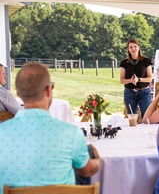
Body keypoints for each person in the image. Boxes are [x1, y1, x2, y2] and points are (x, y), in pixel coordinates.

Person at [0, 62, 101, 193]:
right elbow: (88, 170)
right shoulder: (70, 133)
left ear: (19, 93)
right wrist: (98, 160)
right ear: (48, 90)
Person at [120, 38, 153, 119]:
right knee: (132, 118)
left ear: (138, 47)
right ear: (128, 49)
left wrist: (139, 79)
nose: (133, 49)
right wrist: (131, 80)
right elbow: (121, 80)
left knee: (146, 117)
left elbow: (150, 78)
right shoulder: (124, 63)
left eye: (135, 46)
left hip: (144, 92)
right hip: (129, 93)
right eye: (131, 47)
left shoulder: (146, 61)